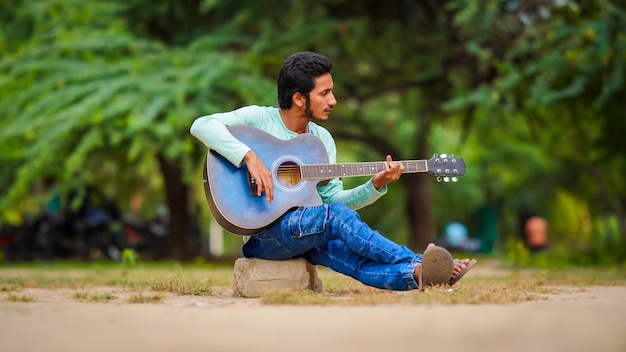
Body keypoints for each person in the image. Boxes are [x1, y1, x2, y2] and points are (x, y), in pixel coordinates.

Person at [190, 51, 474, 290]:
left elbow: (332, 202)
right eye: (324, 93)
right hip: (264, 236)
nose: (333, 100)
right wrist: (248, 156)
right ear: (299, 98)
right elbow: (202, 124)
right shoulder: (259, 119)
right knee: (335, 219)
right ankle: (416, 260)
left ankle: (419, 275)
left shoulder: (322, 141)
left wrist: (374, 185)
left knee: (347, 254)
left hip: (305, 230)